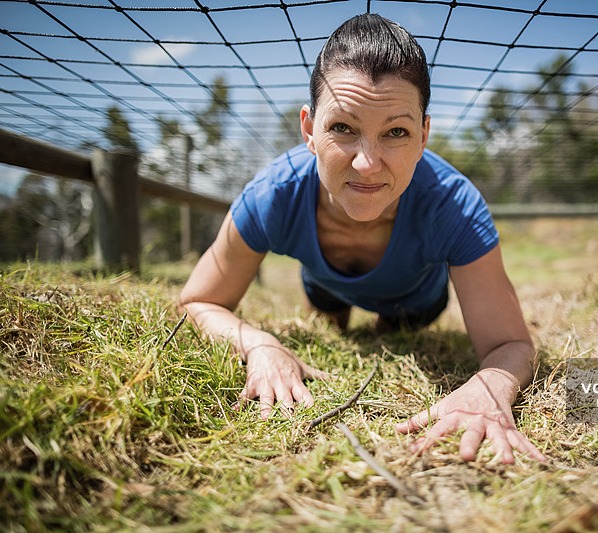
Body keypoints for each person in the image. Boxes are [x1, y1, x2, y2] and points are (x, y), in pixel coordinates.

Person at [178, 13, 545, 464]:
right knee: (328, 330)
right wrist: (259, 344)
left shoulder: (453, 206)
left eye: (396, 132)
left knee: (393, 334)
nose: (367, 164)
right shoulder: (273, 195)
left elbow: (512, 345)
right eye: (343, 128)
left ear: (423, 136)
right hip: (324, 286)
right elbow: (195, 302)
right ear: (309, 129)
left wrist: (489, 388)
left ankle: (386, 320)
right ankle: (335, 309)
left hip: (414, 301)